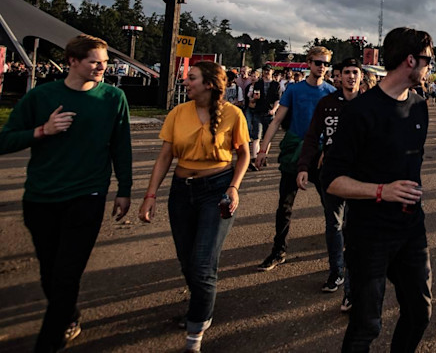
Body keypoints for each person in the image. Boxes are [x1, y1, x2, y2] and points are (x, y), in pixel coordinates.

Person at [0, 35, 132, 353]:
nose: (102, 67)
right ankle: (68, 314)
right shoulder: (42, 96)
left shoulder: (114, 98)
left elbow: (121, 147)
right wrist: (42, 131)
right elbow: (5, 141)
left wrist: (124, 190)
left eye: (104, 61)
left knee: (66, 273)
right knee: (50, 270)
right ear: (72, 61)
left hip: (87, 195)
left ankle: (48, 342)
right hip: (41, 197)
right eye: (94, 61)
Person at [322, 28, 434, 352]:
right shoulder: (361, 111)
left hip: (412, 228)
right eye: (427, 59)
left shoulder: (419, 106)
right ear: (410, 60)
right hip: (370, 234)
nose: (429, 66)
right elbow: (331, 179)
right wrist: (381, 191)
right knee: (366, 325)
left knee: (419, 312)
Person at [139, 61, 250, 352]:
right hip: (181, 192)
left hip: (217, 191)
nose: (186, 82)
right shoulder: (178, 113)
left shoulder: (233, 114)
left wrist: (233, 187)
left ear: (209, 84)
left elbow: (244, 154)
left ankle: (195, 333)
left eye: (192, 78)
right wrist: (150, 195)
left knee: (202, 264)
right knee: (187, 261)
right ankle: (202, 300)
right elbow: (165, 157)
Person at [256, 47, 336, 271]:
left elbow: (334, 128)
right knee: (284, 205)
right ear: (309, 64)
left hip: (320, 155)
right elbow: (276, 120)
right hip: (295, 152)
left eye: (325, 64)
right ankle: (278, 250)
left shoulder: (331, 92)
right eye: (318, 63)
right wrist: (263, 150)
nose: (322, 67)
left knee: (330, 206)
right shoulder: (294, 90)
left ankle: (336, 251)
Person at [296, 57, 364, 311]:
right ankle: (336, 272)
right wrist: (303, 167)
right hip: (331, 175)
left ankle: (351, 291)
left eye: (355, 72)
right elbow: (312, 136)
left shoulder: (369, 104)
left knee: (354, 229)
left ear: (361, 76)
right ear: (339, 76)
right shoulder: (327, 103)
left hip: (360, 177)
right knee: (334, 225)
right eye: (346, 72)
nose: (350, 76)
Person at [246, 65, 281, 166]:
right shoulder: (258, 83)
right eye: (265, 70)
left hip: (269, 113)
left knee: (267, 137)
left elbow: (277, 99)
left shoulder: (276, 84)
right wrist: (253, 99)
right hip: (258, 111)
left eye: (268, 70)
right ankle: (254, 157)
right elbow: (253, 98)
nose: (266, 72)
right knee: (256, 136)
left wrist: (274, 109)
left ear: (272, 72)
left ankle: (263, 156)